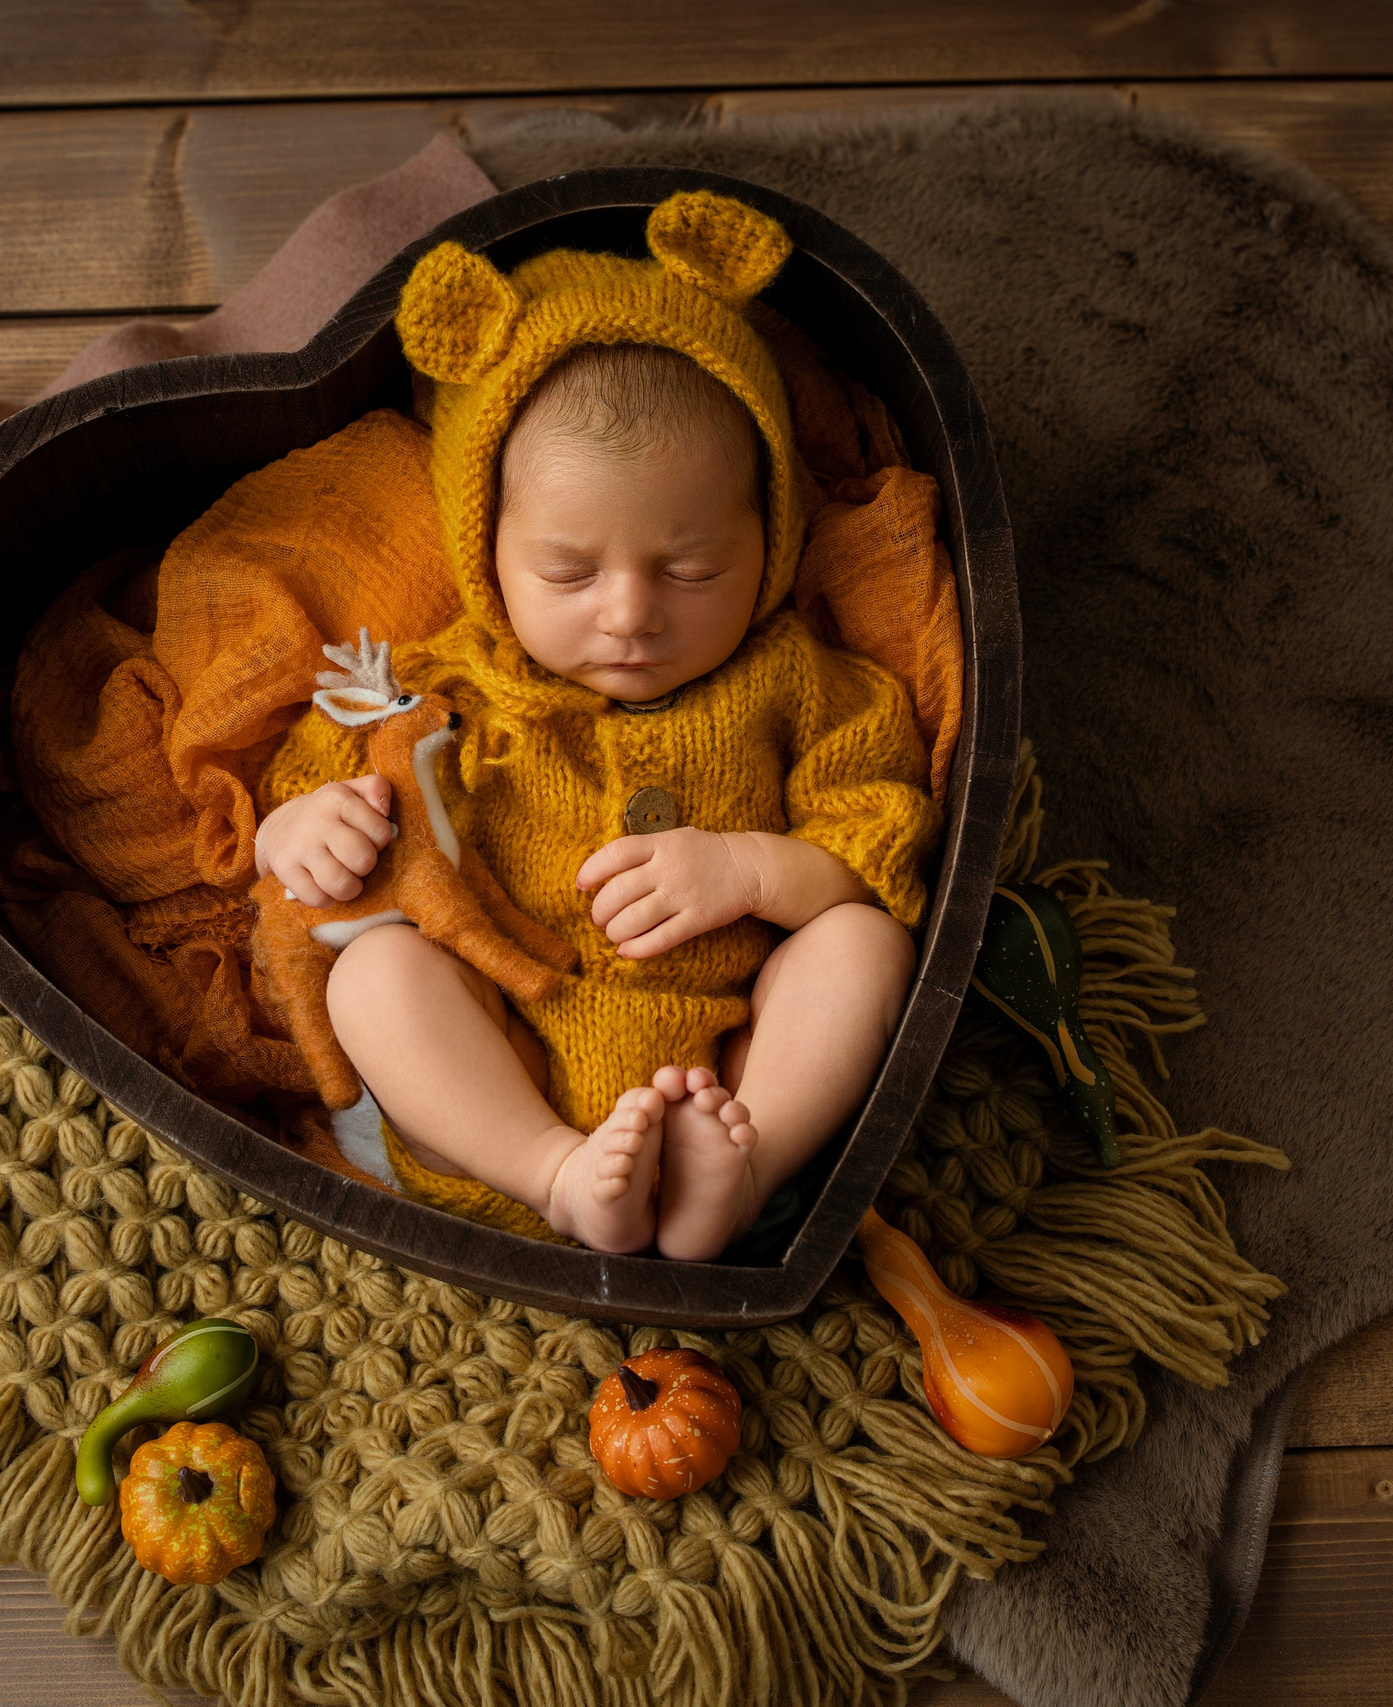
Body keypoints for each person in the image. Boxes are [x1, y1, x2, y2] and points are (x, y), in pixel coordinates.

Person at [251, 191, 941, 1259]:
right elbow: (307, 797)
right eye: (568, 573)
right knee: (374, 975)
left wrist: (755, 872)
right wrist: (297, 832)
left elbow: (877, 843)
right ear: (486, 554)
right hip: (496, 1067)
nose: (628, 614)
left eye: (691, 568)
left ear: (772, 537)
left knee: (861, 942)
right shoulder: (432, 689)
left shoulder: (804, 683)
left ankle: (743, 1172)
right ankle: (555, 1172)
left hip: (731, 1070)